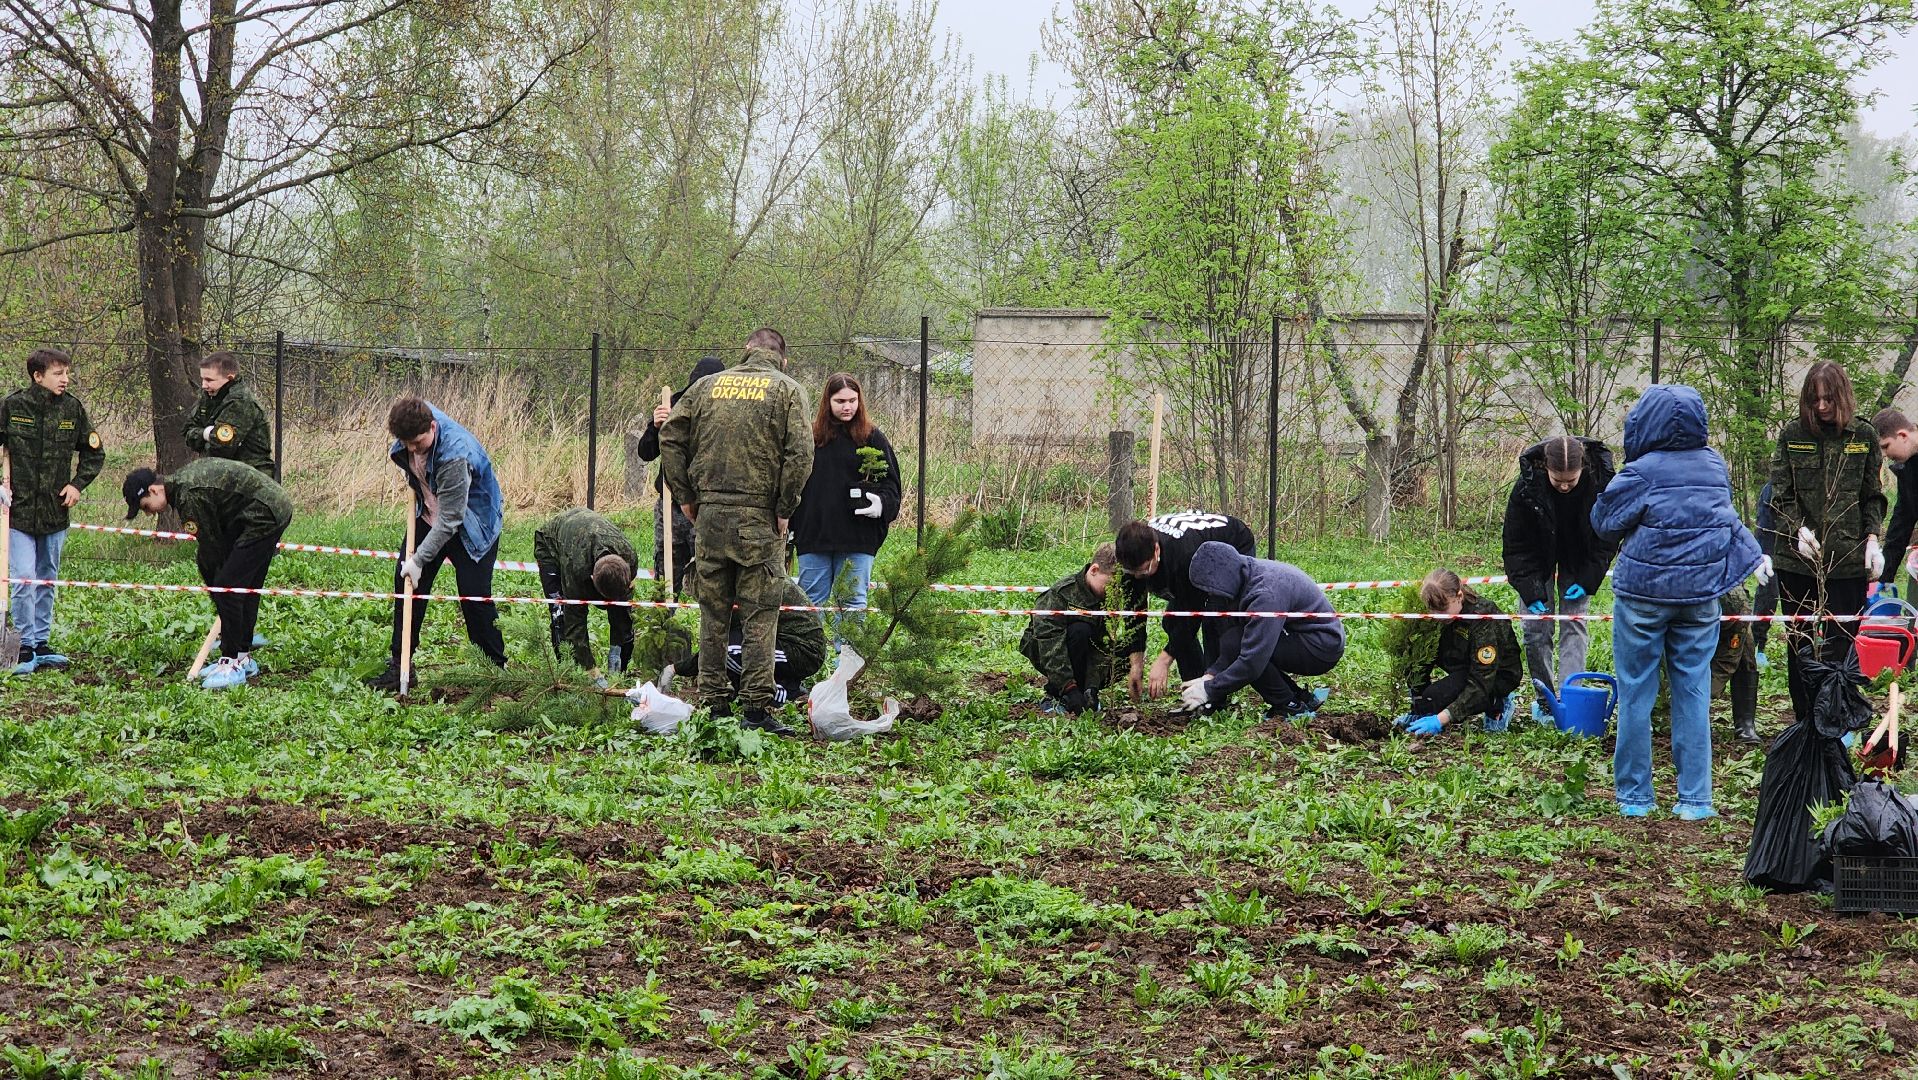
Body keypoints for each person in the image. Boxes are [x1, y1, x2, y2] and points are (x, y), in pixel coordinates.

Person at [1592, 384, 1764, 820]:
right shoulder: (1714, 465)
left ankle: (1635, 797)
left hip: (1643, 598)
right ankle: (1695, 799)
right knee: (1693, 693)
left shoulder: (1642, 470)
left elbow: (1604, 522)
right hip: (1700, 598)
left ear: (1642, 423)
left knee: (1636, 694)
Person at [658, 327, 813, 735]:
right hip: (760, 520)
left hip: (709, 518)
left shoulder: (707, 387)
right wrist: (786, 508)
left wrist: (686, 496)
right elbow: (800, 453)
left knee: (713, 613)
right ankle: (756, 709)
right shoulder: (788, 390)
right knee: (760, 617)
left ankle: (713, 700)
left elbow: (669, 435)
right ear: (783, 358)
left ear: (746, 350)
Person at [1767, 361, 1886, 723]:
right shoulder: (1792, 434)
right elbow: (1780, 494)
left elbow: (1872, 494)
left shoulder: (1862, 436)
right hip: (1797, 560)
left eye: (1828, 399)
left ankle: (1834, 719)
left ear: (1843, 397)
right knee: (1799, 643)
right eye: (1814, 399)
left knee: (1840, 643)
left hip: (1847, 559)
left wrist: (1872, 538)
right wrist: (1796, 529)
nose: (1821, 407)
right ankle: (1805, 720)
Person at [364, 395, 507, 691]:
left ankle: (495, 670)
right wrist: (413, 565)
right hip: (429, 515)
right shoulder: (413, 423)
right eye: (407, 445)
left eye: (418, 443)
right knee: (406, 586)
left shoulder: (456, 454)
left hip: (471, 525)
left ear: (432, 426)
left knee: (474, 596)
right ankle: (401, 666)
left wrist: (419, 559)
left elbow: (451, 520)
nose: (413, 450)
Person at [122, 459, 292, 690]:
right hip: (263, 509)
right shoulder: (183, 484)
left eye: (145, 506)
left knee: (229, 587)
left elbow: (213, 547)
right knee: (242, 586)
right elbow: (211, 546)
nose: (149, 514)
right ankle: (242, 656)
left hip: (264, 514)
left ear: (154, 490)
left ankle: (230, 660)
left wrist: (219, 589)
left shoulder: (188, 496)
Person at [1501, 434, 1618, 724]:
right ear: (1545, 469)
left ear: (1583, 468)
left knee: (1574, 624)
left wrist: (1589, 578)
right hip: (1537, 559)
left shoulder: (1600, 485)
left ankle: (1570, 698)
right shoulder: (1526, 488)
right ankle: (1545, 699)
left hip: (1580, 559)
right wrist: (1530, 590)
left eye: (1571, 480)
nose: (1564, 486)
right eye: (1558, 480)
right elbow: (1516, 545)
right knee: (1534, 629)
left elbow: (1607, 538)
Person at [1, 348, 104, 675]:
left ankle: (42, 643)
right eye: (58, 373)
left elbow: (94, 453)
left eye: (67, 373)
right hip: (17, 513)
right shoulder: (12, 407)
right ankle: (25, 646)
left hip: (55, 513)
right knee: (23, 579)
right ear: (38, 376)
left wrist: (77, 485)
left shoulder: (72, 409)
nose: (65, 379)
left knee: (47, 579)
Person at [1179, 540, 1345, 718]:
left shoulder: (1265, 594)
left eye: (1211, 590)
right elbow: (1232, 641)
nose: (1210, 595)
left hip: (1321, 646)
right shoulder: (1245, 572)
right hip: (1300, 634)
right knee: (1236, 639)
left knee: (1250, 650)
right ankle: (1299, 697)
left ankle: (1289, 706)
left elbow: (1252, 662)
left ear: (1222, 580)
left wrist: (1209, 690)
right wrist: (1210, 676)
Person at [791, 373, 902, 620]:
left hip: (857, 535)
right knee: (811, 602)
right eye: (840, 401)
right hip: (815, 534)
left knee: (852, 601)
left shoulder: (873, 438)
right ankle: (810, 656)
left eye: (852, 400)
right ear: (827, 402)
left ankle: (851, 658)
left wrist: (881, 504)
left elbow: (892, 485)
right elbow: (791, 482)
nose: (847, 406)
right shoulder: (811, 438)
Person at [1115, 511, 1258, 701]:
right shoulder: (1130, 559)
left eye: (1144, 571)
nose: (1139, 578)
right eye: (1133, 573)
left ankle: (1213, 694)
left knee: (1213, 619)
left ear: (1156, 550)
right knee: (1172, 623)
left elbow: (1192, 613)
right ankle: (1193, 684)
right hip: (1193, 552)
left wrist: (1164, 661)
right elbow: (1134, 611)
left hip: (1233, 543)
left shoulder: (1183, 557)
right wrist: (1136, 664)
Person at [635, 356, 725, 594]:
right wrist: (655, 428)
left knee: (710, 576)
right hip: (671, 505)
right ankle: (663, 625)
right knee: (666, 576)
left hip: (708, 506)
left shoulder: (727, 412)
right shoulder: (672, 405)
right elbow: (645, 452)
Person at [1395, 569, 1520, 735]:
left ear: (1459, 596)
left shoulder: (1482, 619)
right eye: (1432, 611)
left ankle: (1497, 704)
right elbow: (1421, 657)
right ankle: (1421, 713)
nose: (1436, 616)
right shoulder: (1439, 613)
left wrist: (1443, 718)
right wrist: (1420, 704)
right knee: (1430, 697)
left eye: (1442, 610)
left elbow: (1482, 680)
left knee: (1439, 697)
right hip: (1462, 664)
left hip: (1495, 675)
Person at [678, 577, 826, 708]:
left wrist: (677, 668)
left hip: (803, 651)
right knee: (737, 646)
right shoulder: (746, 576)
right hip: (789, 642)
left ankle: (779, 691)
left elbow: (716, 645)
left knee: (730, 650)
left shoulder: (741, 587)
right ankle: (782, 683)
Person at [532, 508, 636, 684]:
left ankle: (619, 672)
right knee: (561, 615)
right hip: (551, 543)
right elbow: (575, 625)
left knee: (621, 611)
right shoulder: (577, 570)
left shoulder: (629, 557)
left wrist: (617, 648)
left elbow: (621, 607)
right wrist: (591, 670)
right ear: (592, 580)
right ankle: (569, 676)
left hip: (586, 532)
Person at [1020, 543, 1121, 714]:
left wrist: (1092, 686)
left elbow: (1103, 644)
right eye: (1110, 584)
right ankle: (1055, 695)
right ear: (1094, 570)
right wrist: (1069, 688)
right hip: (1047, 651)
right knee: (1080, 630)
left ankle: (1085, 693)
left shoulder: (1110, 599)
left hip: (1086, 657)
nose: (1114, 590)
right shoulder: (1062, 594)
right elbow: (1049, 643)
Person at [182, 350, 275, 475]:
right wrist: (206, 434)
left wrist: (205, 438)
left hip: (250, 475)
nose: (204, 385)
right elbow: (187, 430)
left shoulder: (240, 401)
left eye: (209, 380)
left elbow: (221, 448)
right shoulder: (209, 397)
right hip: (220, 472)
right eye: (202, 379)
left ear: (229, 378)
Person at [1873, 407, 1918, 595]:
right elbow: (1902, 519)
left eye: (1885, 446)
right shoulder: (1907, 467)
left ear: (1902, 435)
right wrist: (1886, 574)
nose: (1884, 455)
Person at [1712, 585, 1761, 744]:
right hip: (1706, 593)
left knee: (1746, 651)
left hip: (1734, 601)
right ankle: (1694, 718)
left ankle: (1745, 725)